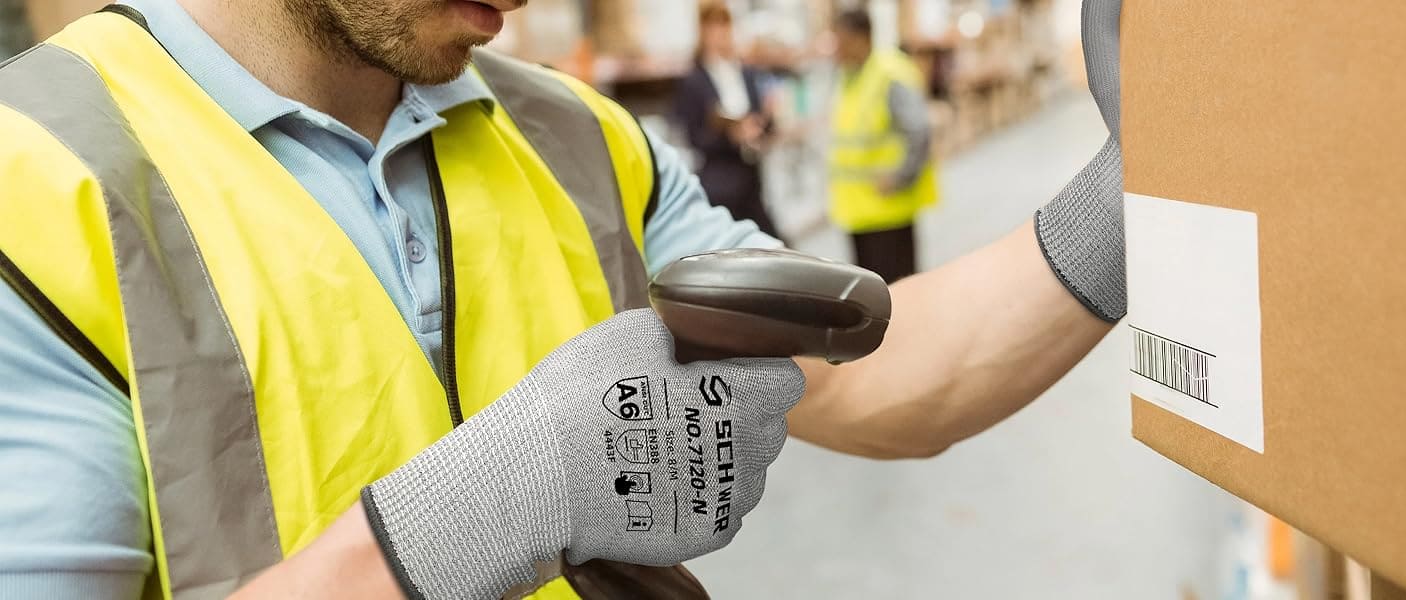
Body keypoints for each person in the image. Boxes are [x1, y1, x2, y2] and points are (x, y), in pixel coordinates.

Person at [0, 0, 1126, 598]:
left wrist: (1149, 182)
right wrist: (485, 513)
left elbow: (883, 378)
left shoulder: (577, 137)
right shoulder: (36, 180)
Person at [827, 9, 939, 283]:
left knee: (899, 291)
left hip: (889, 211)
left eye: (841, 40)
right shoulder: (849, 76)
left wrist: (900, 177)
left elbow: (919, 131)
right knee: (870, 292)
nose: (836, 48)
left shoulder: (890, 73)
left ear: (861, 39)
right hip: (857, 212)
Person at [673, 2, 780, 238]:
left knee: (769, 242)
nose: (720, 33)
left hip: (751, 178)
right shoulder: (694, 81)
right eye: (713, 26)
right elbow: (694, 137)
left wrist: (767, 118)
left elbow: (765, 125)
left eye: (724, 25)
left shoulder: (747, 74)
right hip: (720, 185)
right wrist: (731, 135)